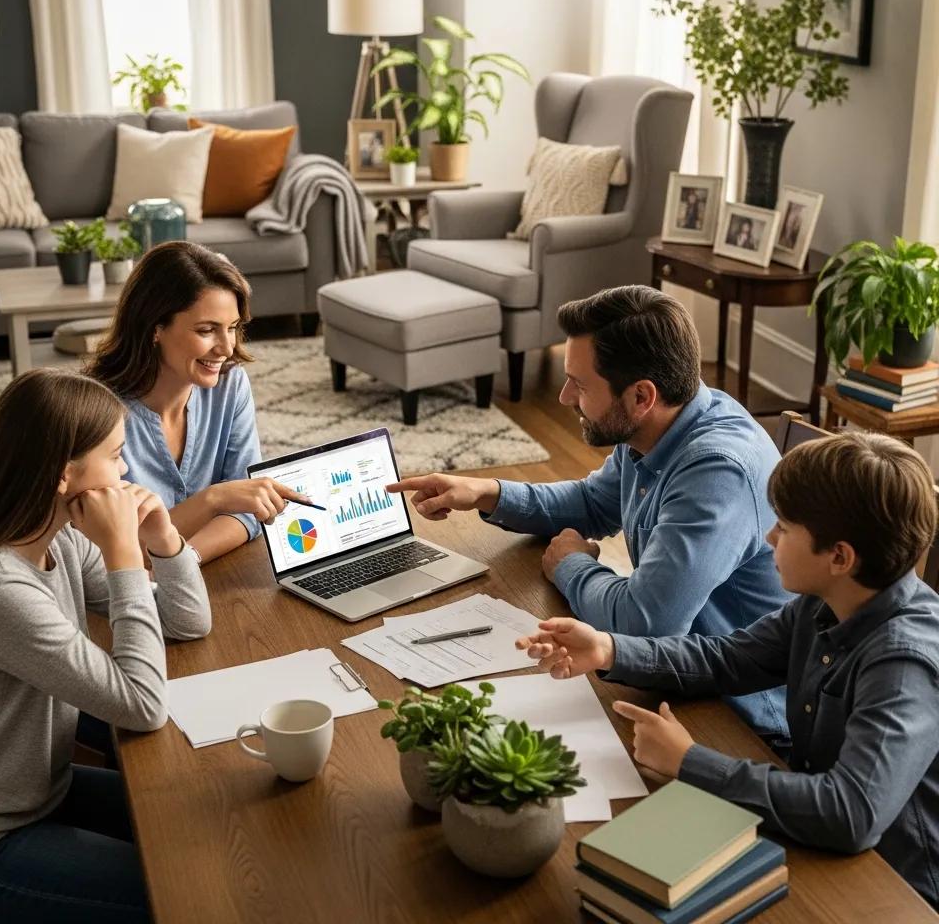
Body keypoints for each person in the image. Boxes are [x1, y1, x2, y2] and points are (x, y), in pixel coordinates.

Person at [517, 431, 939, 909]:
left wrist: (689, 761)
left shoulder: (905, 663)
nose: (769, 536)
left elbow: (850, 813)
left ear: (839, 557)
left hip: (891, 890)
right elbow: (728, 658)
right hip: (808, 838)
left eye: (784, 526)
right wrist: (610, 649)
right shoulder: (823, 604)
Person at [387, 286, 790, 738]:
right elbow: (593, 503)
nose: (562, 397)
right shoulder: (663, 424)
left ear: (642, 396)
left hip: (738, 720)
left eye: (579, 384)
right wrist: (486, 492)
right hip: (671, 682)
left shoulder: (717, 472)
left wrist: (572, 566)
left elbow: (645, 623)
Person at [0, 369, 211, 922]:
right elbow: (143, 706)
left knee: (207, 829)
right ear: (64, 475)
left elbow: (188, 623)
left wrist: (163, 538)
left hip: (43, 789)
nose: (126, 473)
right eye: (116, 456)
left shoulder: (61, 538)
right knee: (184, 892)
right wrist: (125, 554)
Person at [87, 242, 306, 565]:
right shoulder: (93, 410)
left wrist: (183, 565)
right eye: (207, 330)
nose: (227, 348)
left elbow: (249, 513)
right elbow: (111, 546)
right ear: (155, 328)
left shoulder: (230, 386)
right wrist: (214, 499)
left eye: (232, 328)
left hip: (193, 572)